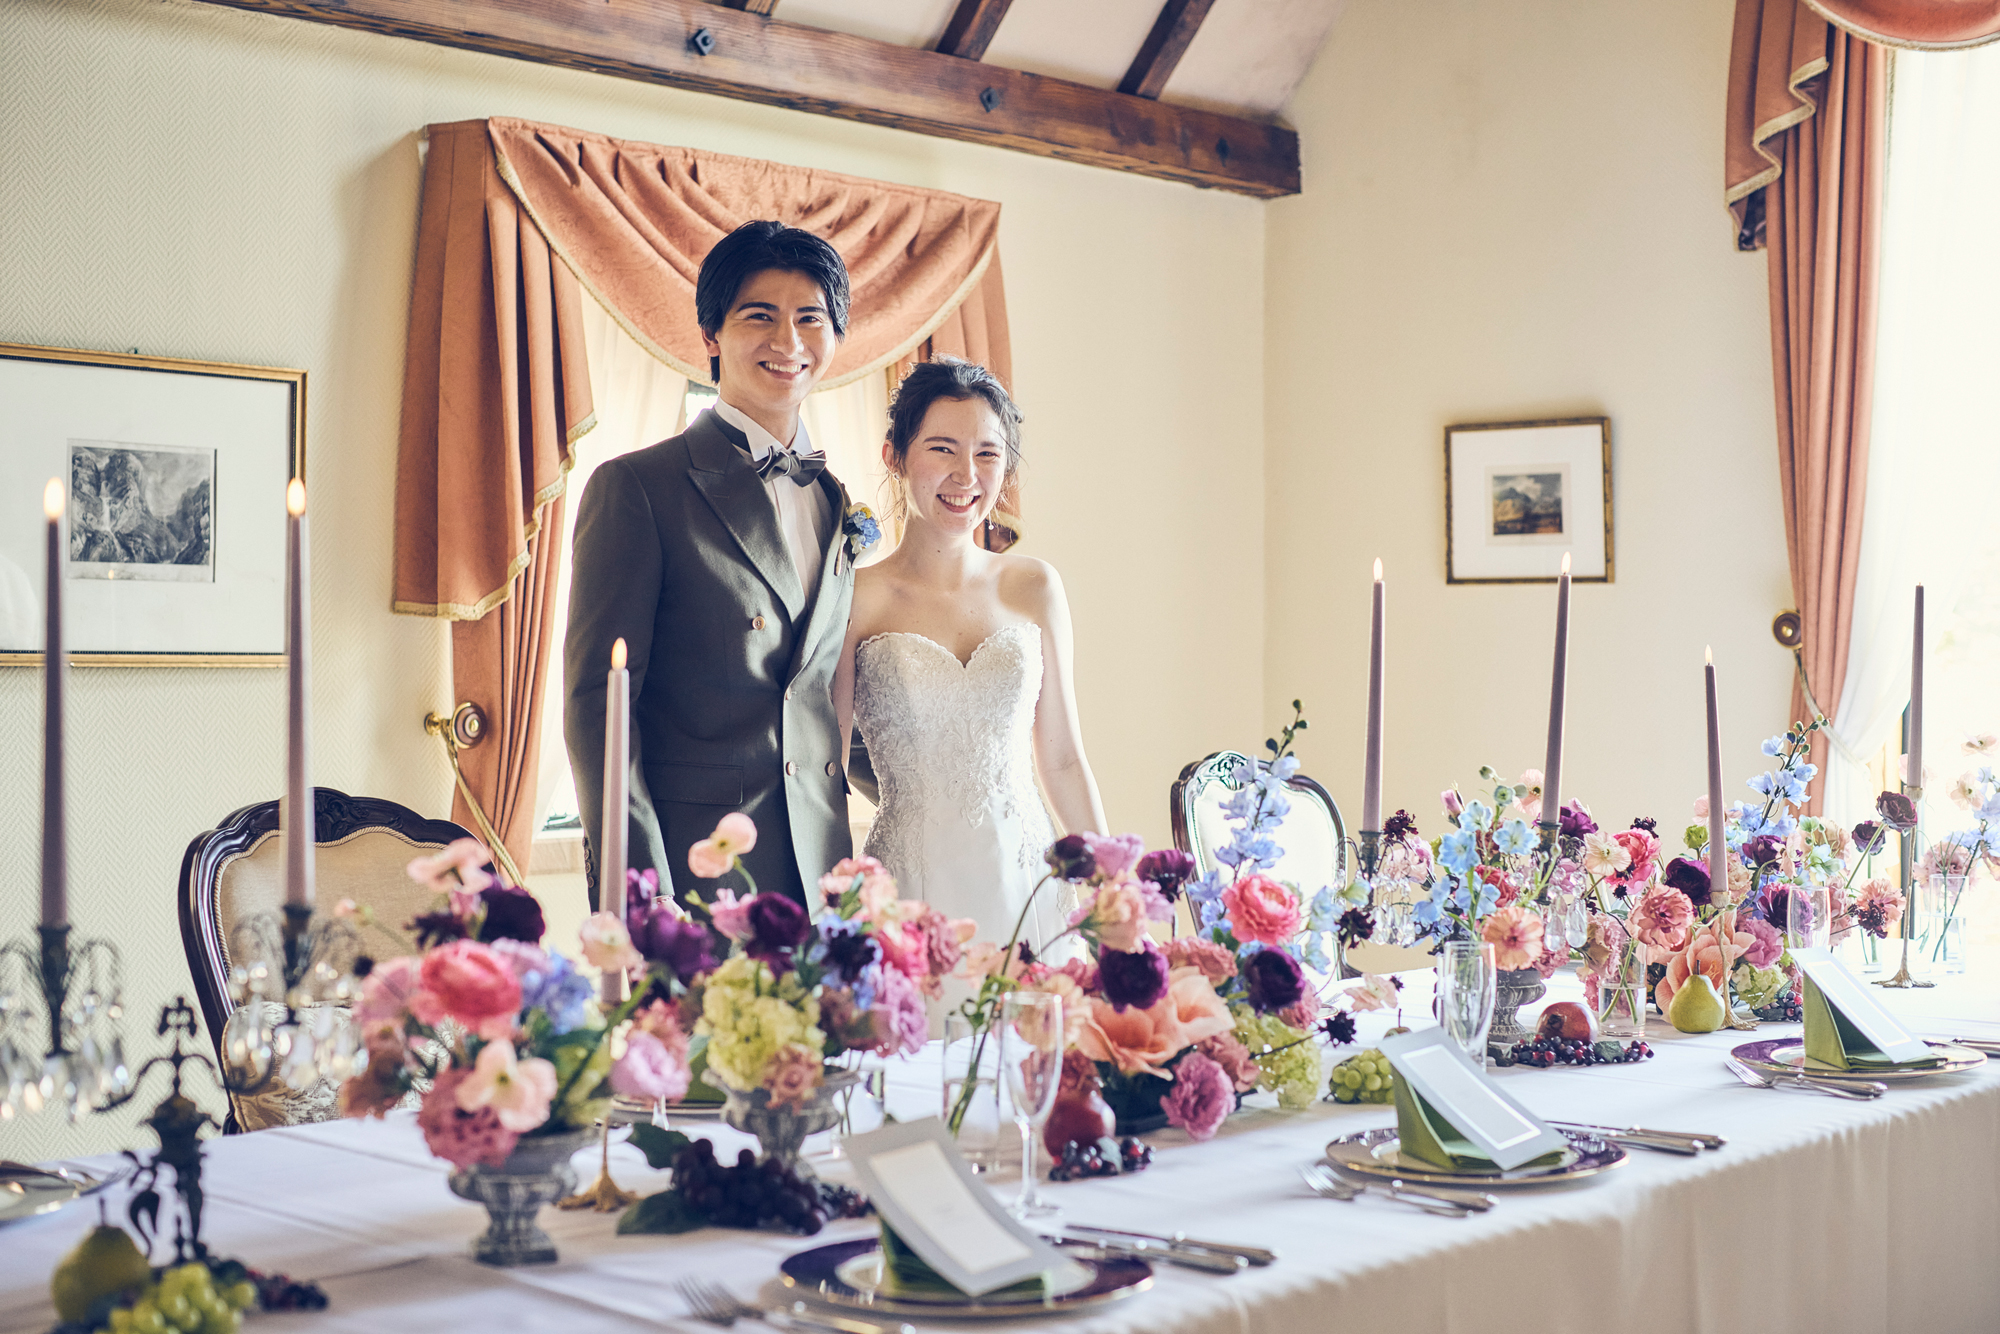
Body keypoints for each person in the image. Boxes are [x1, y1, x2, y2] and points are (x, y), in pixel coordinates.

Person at [565, 220, 857, 908]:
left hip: (823, 880)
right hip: (695, 878)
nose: (789, 341)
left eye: (810, 318)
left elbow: (818, 695)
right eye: (760, 316)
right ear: (711, 335)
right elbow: (598, 707)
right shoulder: (638, 487)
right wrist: (643, 894)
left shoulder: (836, 500)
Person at [833, 359, 1106, 949]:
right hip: (909, 889)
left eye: (987, 453)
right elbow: (824, 768)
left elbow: (1062, 760)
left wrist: (1115, 891)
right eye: (943, 449)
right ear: (894, 457)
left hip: (1028, 880)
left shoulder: (1034, 587)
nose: (966, 475)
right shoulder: (856, 597)